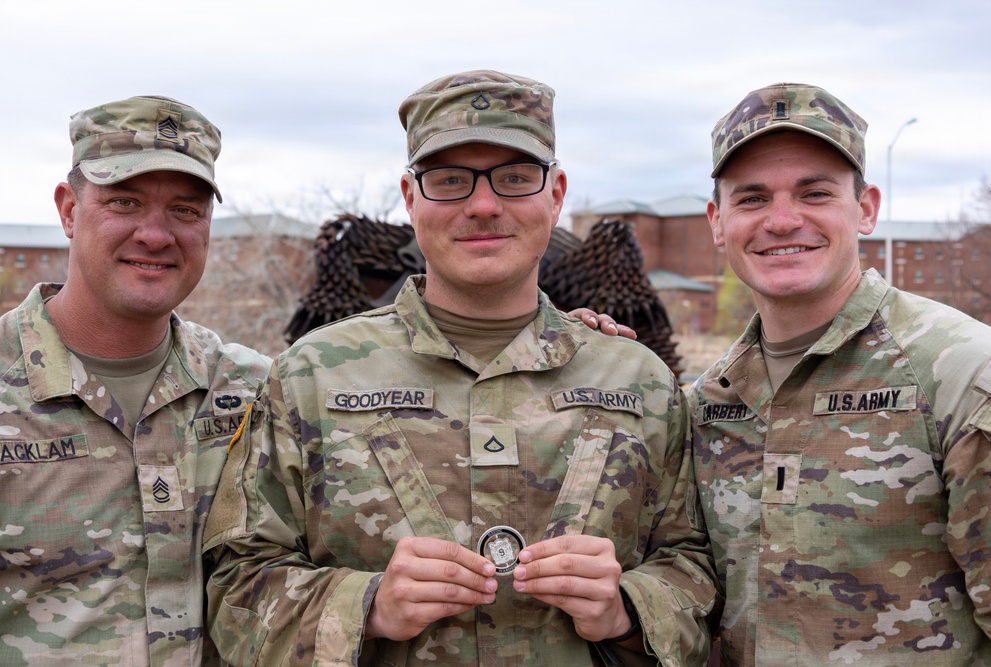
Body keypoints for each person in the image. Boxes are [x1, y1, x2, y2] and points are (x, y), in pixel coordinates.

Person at [204, 69, 719, 666]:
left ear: (556, 195)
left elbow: (700, 573)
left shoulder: (639, 382)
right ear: (409, 197)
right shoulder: (310, 377)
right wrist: (366, 607)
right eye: (449, 180)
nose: (482, 205)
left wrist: (628, 609)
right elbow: (235, 589)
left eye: (515, 178)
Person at [689, 82, 991, 665]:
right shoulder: (707, 400)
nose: (783, 221)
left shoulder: (964, 376)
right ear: (717, 221)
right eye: (752, 199)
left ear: (866, 209)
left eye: (815, 193)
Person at [0, 96, 271, 665]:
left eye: (185, 210)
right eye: (124, 202)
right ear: (68, 210)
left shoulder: (251, 390)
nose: (155, 234)